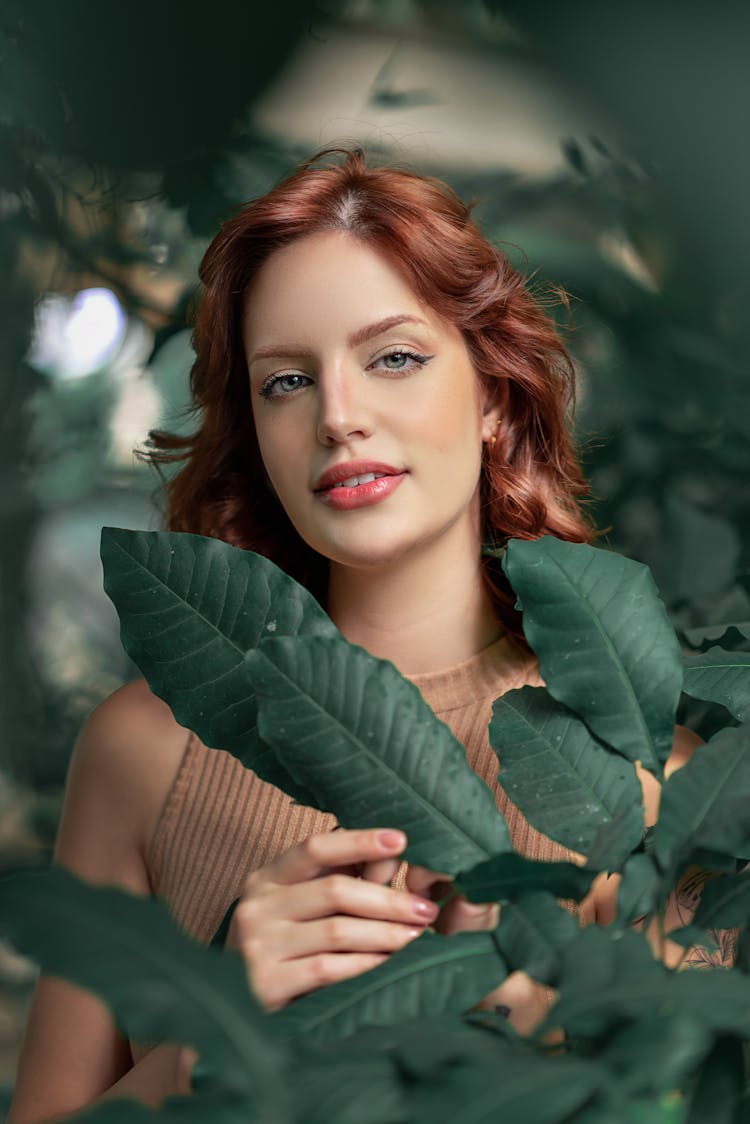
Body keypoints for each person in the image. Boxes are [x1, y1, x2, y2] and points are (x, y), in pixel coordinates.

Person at [8, 148, 703, 1123]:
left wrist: (541, 1038)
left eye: (394, 357)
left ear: (496, 395)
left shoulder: (660, 776)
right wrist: (226, 1029)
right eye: (286, 380)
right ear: (253, 430)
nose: (339, 415)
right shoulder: (140, 751)